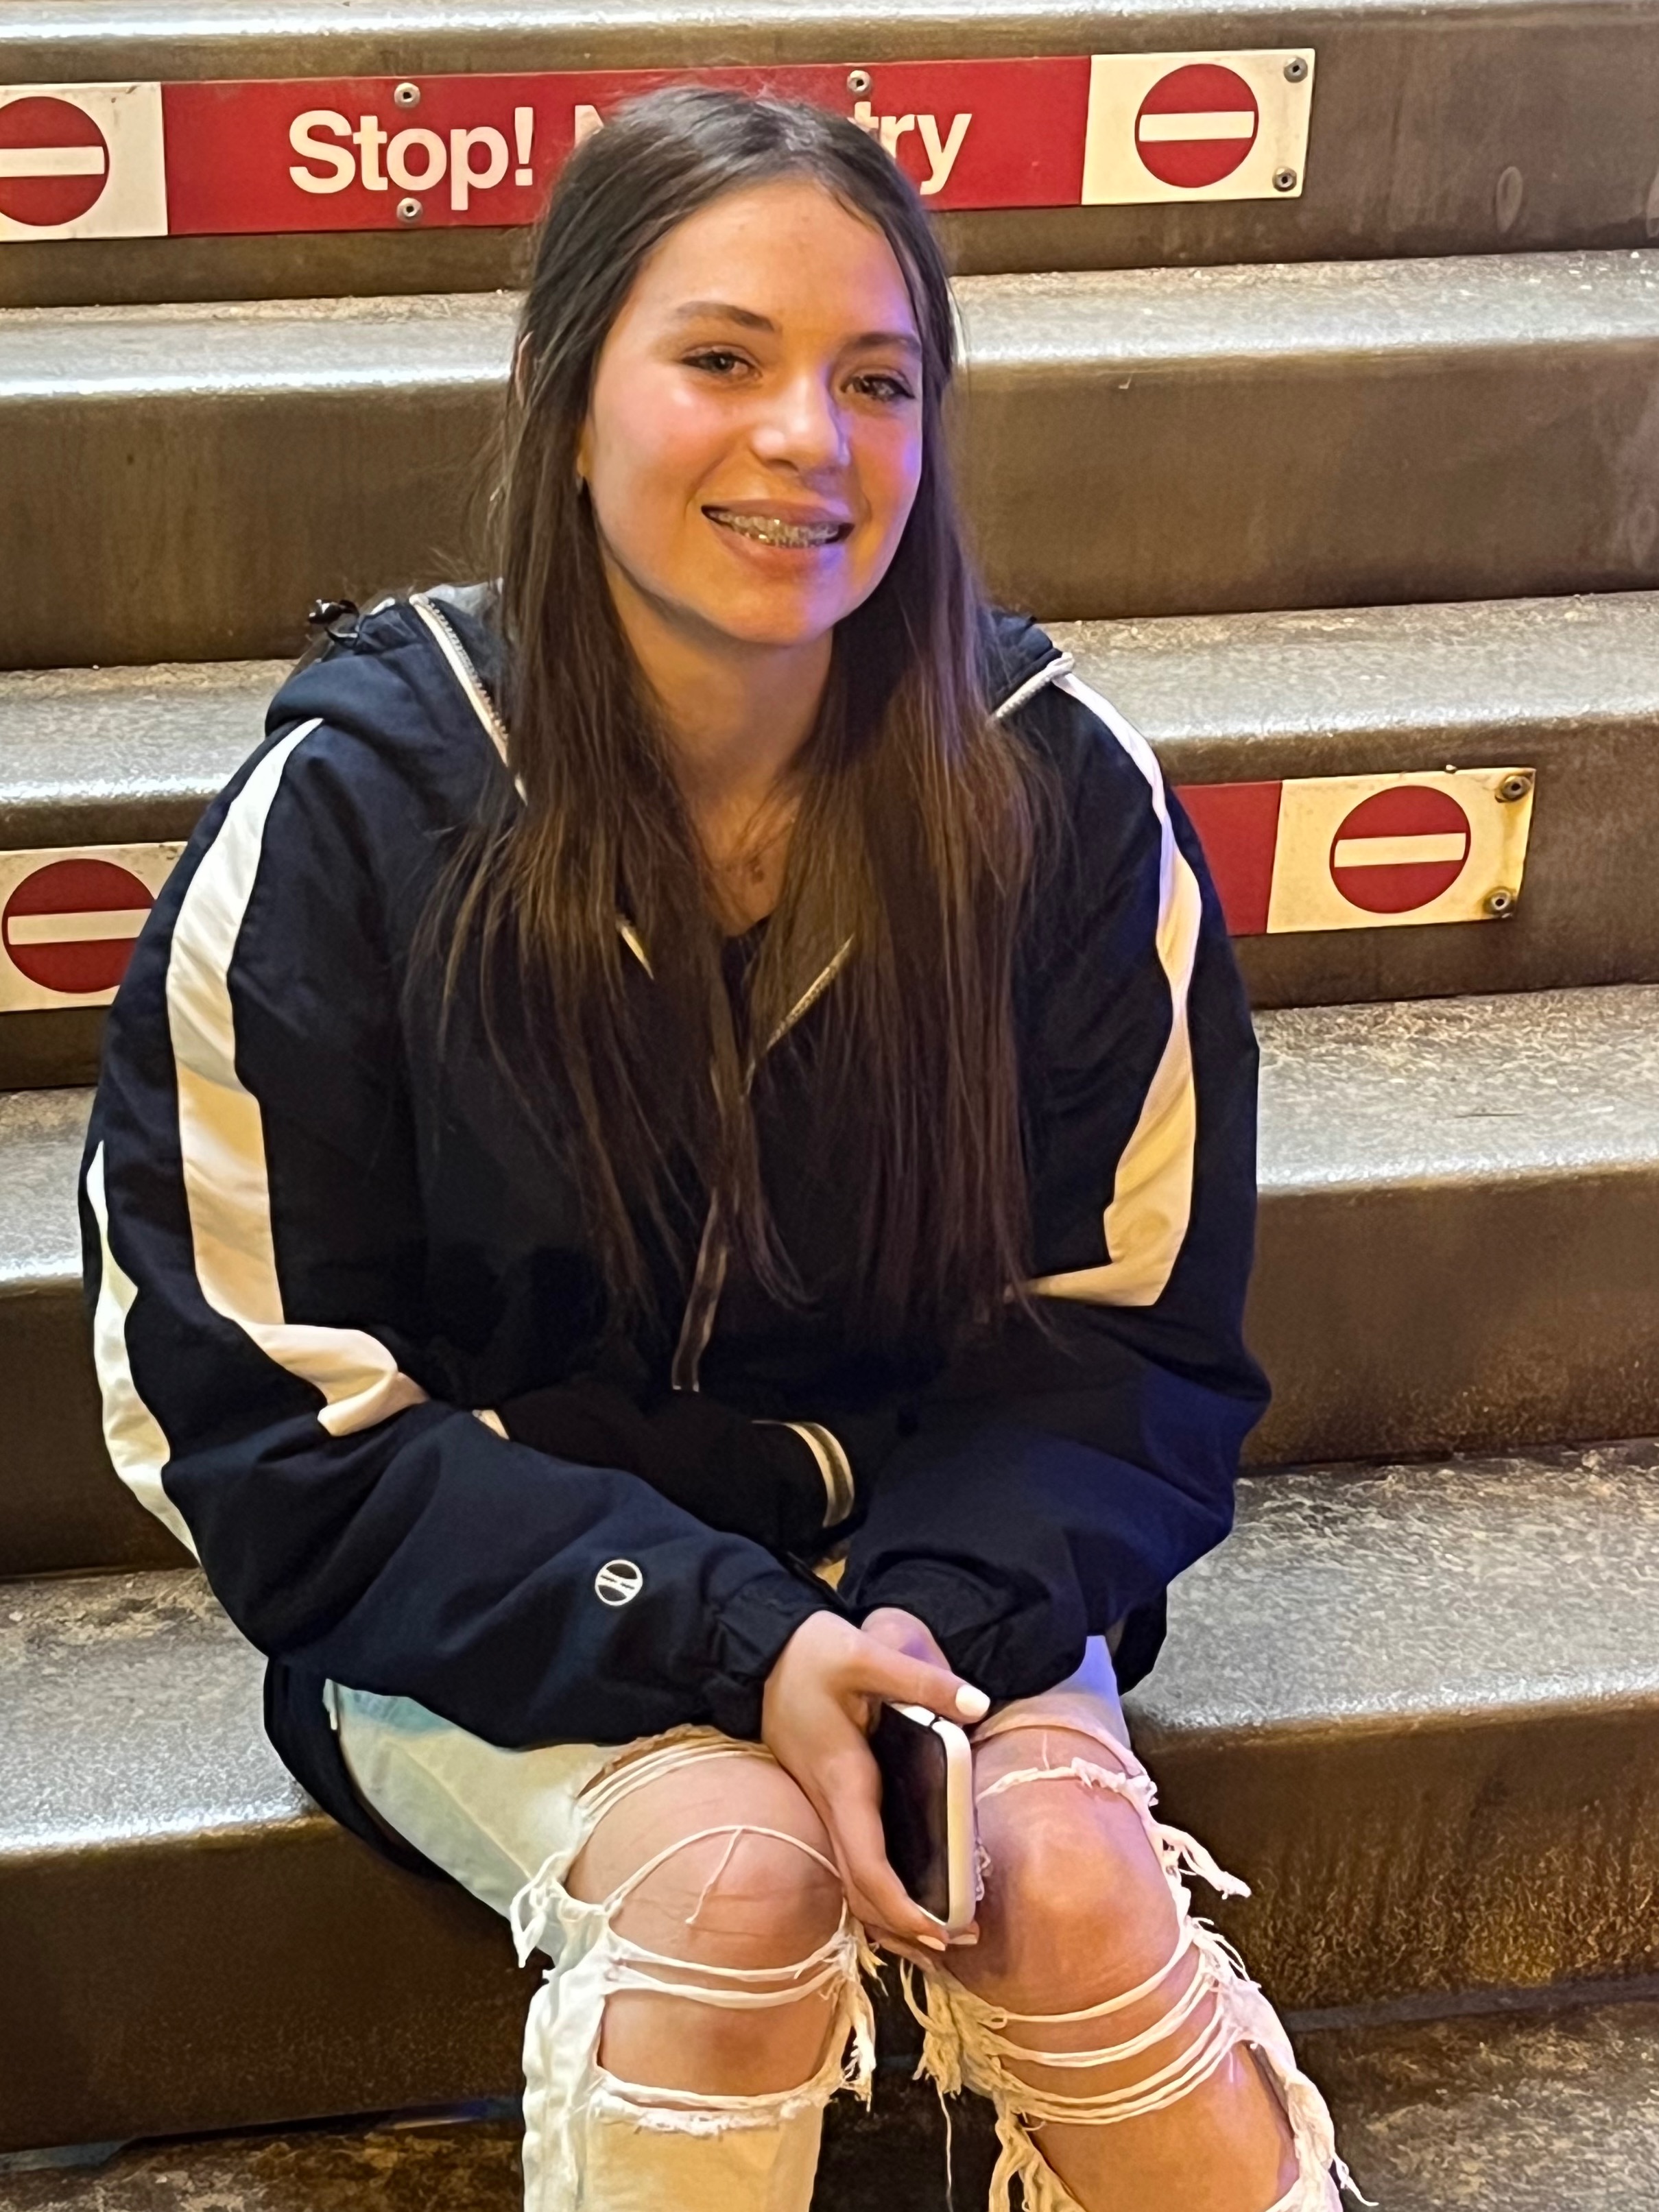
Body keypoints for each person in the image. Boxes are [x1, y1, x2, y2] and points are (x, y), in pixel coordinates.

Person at [81, 84, 1359, 2212]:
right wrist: (733, 1635)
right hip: (506, 1586)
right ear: (563, 388)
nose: (806, 440)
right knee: (735, 1894)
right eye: (720, 358)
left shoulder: (1052, 794)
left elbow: (1124, 1344)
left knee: (1064, 1877)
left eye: (876, 380)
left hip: (937, 1553)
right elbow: (260, 1409)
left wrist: (923, 1629)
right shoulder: (354, 810)